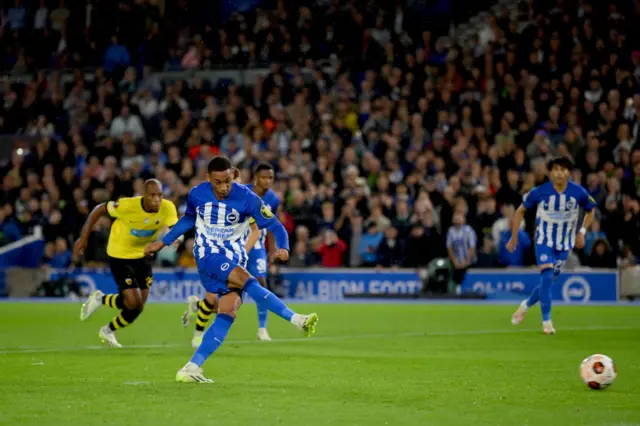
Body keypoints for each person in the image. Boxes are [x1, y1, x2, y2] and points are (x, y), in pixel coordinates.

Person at [144, 156, 318, 383]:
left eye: (228, 180)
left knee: (229, 311)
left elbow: (276, 226)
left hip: (233, 257)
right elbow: (187, 220)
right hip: (208, 255)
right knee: (249, 280)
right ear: (209, 179)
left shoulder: (247, 198)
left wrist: (283, 247)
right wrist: (162, 242)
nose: (224, 187)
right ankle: (296, 319)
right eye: (218, 182)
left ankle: (191, 367)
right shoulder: (197, 194)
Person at [74, 179, 178, 347]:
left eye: (159, 195)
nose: (157, 199)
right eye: (152, 195)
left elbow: (176, 227)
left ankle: (106, 324)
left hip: (143, 255)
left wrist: (177, 239)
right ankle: (101, 306)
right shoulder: (127, 206)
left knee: (137, 307)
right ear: (144, 195)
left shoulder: (168, 207)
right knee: (133, 302)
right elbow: (99, 209)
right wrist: (84, 237)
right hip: (119, 255)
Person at [507, 156, 596, 334]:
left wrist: (582, 232)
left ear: (569, 172)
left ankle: (525, 305)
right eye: (556, 169)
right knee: (547, 277)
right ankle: (547, 322)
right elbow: (520, 211)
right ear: (549, 173)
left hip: (564, 244)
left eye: (563, 170)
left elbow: (591, 210)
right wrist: (514, 236)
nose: (560, 173)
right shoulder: (540, 192)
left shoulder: (578, 192)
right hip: (543, 241)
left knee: (547, 283)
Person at [181, 167, 263, 348]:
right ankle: (197, 335)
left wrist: (243, 251)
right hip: (214, 255)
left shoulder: (245, 202)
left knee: (223, 306)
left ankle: (196, 307)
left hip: (237, 257)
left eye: (234, 182)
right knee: (212, 297)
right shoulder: (215, 202)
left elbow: (257, 230)